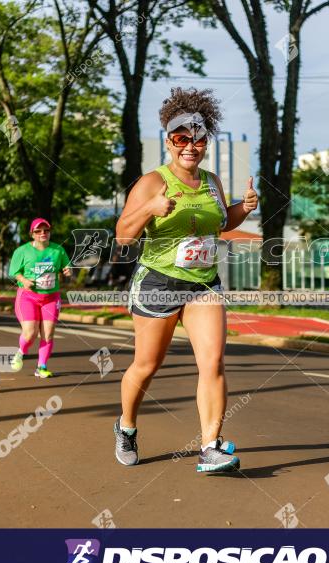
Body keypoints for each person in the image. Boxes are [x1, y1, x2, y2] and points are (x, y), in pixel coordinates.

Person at [113, 87, 258, 473]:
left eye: (198, 139)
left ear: (205, 143)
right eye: (182, 139)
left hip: (203, 284)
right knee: (147, 364)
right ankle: (126, 425)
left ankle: (210, 446)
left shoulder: (211, 181)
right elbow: (124, 236)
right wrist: (150, 207)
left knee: (212, 363)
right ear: (170, 141)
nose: (190, 146)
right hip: (158, 282)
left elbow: (223, 223)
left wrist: (243, 208)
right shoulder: (151, 181)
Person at [8, 218, 71, 378]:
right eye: (38, 231)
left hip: (50, 297)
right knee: (30, 333)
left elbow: (66, 266)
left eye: (46, 230)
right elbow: (13, 272)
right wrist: (24, 280)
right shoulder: (22, 251)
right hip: (28, 297)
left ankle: (41, 367)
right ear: (32, 234)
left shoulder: (58, 250)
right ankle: (20, 352)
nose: (43, 233)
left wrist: (67, 271)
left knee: (48, 334)